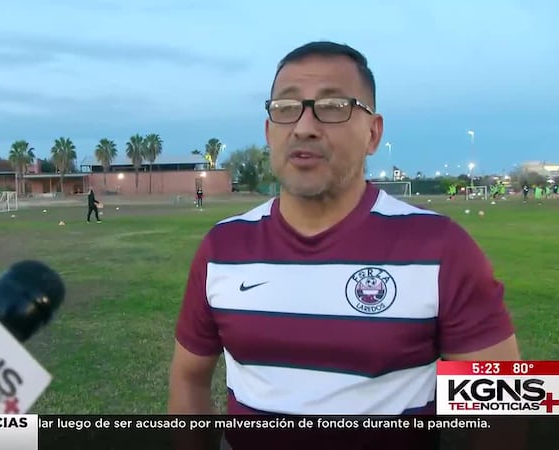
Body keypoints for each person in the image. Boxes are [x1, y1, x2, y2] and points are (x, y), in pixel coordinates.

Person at [168, 41, 519, 448]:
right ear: (269, 132)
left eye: (333, 107)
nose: (304, 126)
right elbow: (188, 378)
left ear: (373, 133)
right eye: (286, 108)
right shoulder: (222, 247)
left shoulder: (442, 247)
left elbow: (506, 411)